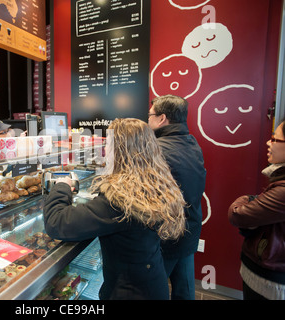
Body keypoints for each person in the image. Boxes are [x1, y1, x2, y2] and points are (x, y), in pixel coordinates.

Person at [43, 118, 186, 300]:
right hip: (153, 281)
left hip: (131, 293)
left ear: (120, 152)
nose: (105, 151)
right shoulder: (154, 182)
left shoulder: (122, 199)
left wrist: (62, 186)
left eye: (108, 145)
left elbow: (57, 222)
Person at [148, 95, 206, 300]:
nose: (148, 121)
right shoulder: (191, 142)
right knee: (185, 290)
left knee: (154, 290)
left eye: (150, 116)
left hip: (167, 234)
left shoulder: (157, 149)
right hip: (189, 228)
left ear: (162, 118)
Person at [228, 118, 285, 300]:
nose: (269, 142)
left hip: (270, 278)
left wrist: (248, 199)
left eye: (275, 139)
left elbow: (238, 215)